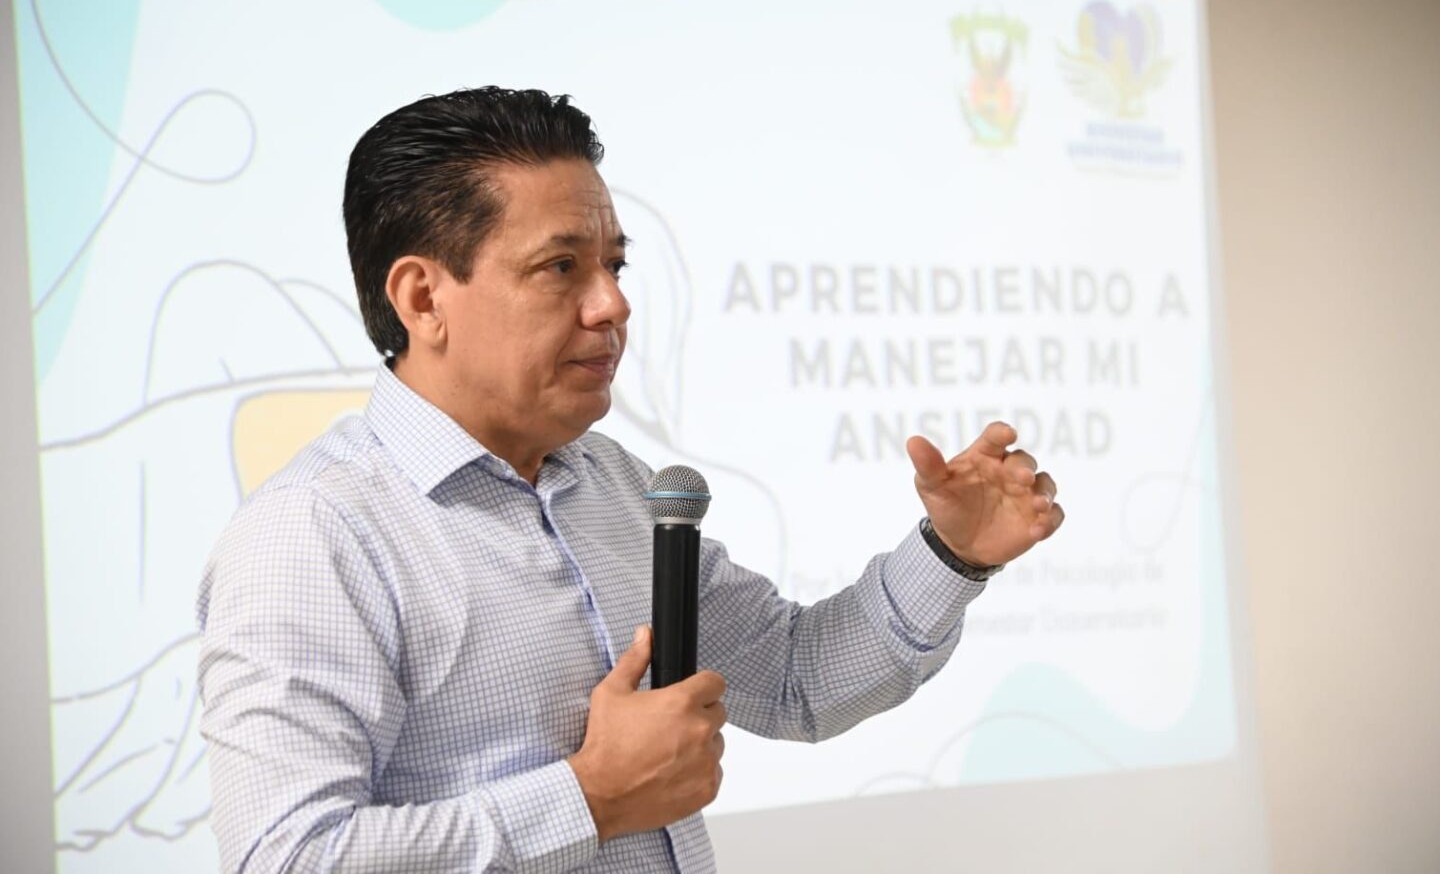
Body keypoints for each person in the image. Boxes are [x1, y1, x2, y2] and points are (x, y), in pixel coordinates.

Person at [196, 87, 1064, 874]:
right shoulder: (314, 535)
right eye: (561, 266)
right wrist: (588, 798)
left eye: (615, 263)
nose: (612, 304)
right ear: (424, 300)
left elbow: (797, 678)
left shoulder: (614, 486)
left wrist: (951, 554)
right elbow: (287, 857)